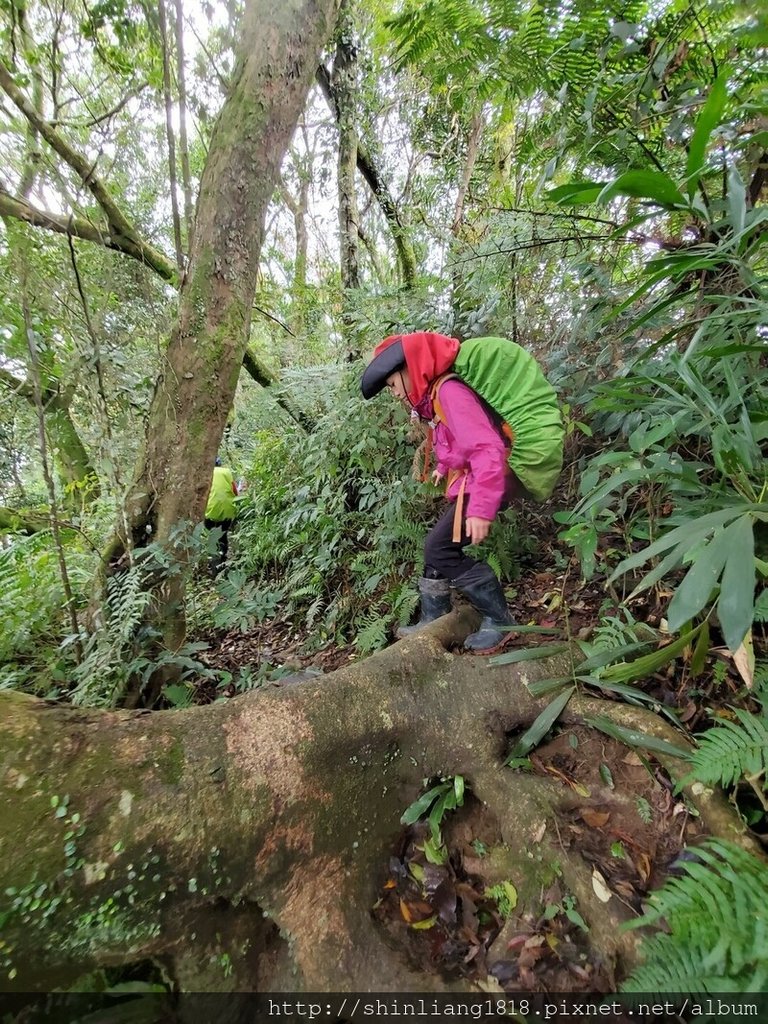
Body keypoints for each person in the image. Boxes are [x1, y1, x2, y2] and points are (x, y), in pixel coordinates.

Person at [361, 331, 519, 652]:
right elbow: (457, 440)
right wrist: (443, 467)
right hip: (476, 480)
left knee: (440, 548)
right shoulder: (435, 397)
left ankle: (499, 618)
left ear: (410, 368)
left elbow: (487, 447)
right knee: (436, 548)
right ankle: (436, 617)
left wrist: (481, 507)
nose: (393, 394)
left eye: (392, 384)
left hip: (487, 481)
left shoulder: (449, 392)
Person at [204, 457, 238, 575]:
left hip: (209, 509)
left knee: (211, 534)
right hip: (227, 509)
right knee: (223, 534)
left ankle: (212, 562)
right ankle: (222, 560)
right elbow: (234, 490)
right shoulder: (227, 472)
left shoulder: (205, 473)